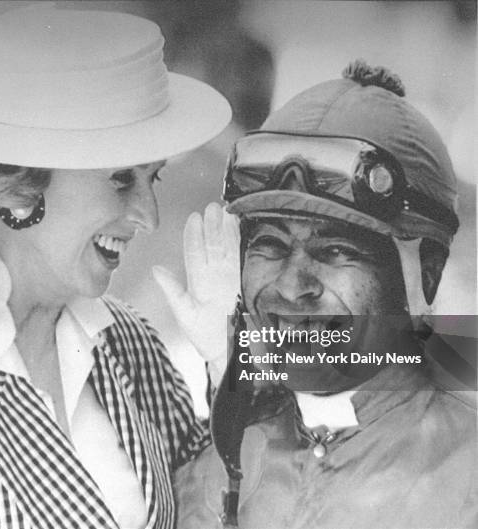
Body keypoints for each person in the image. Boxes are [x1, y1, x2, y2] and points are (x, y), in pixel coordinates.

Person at [0, 5, 234, 528]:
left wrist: (231, 364)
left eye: (153, 179)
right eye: (121, 179)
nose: (148, 218)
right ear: (20, 184)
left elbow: (209, 507)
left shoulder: (125, 341)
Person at [174, 61, 477, 529]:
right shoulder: (208, 475)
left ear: (428, 276)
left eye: (336, 251)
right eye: (270, 245)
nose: (292, 287)